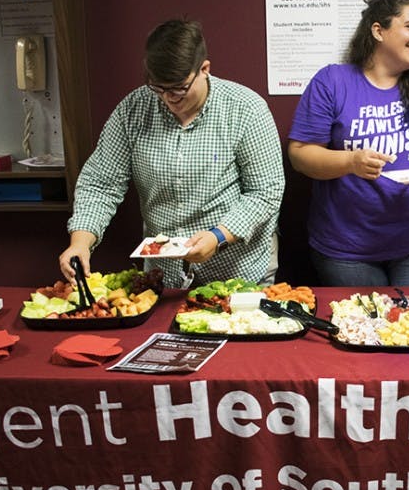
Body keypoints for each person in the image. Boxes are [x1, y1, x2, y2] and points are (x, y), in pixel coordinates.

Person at [59, 19, 284, 288]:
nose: (169, 98)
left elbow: (265, 192)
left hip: (237, 269)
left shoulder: (246, 109)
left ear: (204, 69)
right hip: (166, 274)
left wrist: (218, 236)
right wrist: (81, 242)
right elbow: (100, 184)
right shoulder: (133, 110)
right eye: (159, 88)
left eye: (179, 88)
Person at [287, 0, 409, 287]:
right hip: (346, 250)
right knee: (367, 320)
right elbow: (300, 154)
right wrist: (351, 162)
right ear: (378, 31)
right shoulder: (332, 81)